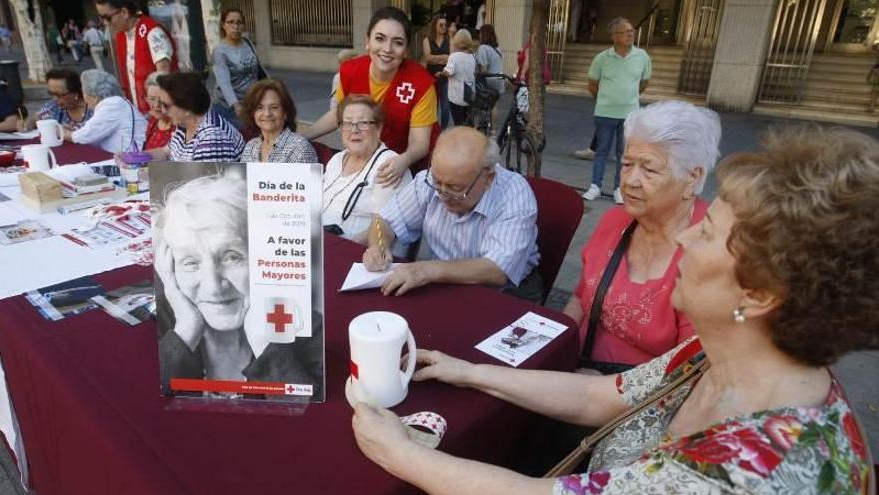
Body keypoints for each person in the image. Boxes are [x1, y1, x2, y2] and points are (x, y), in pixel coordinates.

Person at [352, 125, 878, 494]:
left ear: (760, 293)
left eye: (709, 232)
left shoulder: (748, 471)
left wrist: (402, 455)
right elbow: (600, 394)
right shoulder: (721, 355)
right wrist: (465, 371)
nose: (688, 235)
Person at [564, 100, 720, 374]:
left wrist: (593, 389)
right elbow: (579, 299)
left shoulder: (709, 250)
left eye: (649, 169)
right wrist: (550, 348)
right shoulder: (615, 220)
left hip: (637, 401)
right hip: (574, 370)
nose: (630, 181)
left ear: (693, 178)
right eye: (626, 164)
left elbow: (689, 374)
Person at [154, 172, 323, 398]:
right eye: (190, 262)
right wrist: (185, 332)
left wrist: (265, 345)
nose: (214, 287)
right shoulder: (163, 326)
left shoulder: (306, 328)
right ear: (170, 270)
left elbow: (313, 420)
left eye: (231, 257)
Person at [362, 126, 541, 302]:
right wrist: (379, 245)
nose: (443, 194)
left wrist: (427, 270)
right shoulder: (430, 180)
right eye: (438, 182)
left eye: (456, 189)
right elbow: (383, 219)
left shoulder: (514, 194)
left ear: (488, 178)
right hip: (443, 281)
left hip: (505, 293)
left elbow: (498, 270)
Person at [304, 7, 439, 186]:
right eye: (379, 39)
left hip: (411, 166)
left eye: (398, 42)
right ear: (367, 41)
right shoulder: (350, 71)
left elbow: (420, 142)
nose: (387, 49)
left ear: (406, 50)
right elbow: (338, 114)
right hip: (368, 161)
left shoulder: (421, 83)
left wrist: (403, 160)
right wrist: (304, 137)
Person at [323, 95, 411, 249]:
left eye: (363, 123)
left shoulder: (389, 164)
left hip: (355, 251)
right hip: (317, 244)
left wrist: (341, 247)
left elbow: (384, 225)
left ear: (378, 129)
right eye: (348, 123)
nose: (354, 130)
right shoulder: (337, 159)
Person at [580, 17, 651, 205]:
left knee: (624, 154)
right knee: (601, 151)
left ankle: (619, 189)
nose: (630, 34)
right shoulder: (602, 58)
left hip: (630, 115)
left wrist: (628, 99)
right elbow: (592, 85)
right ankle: (595, 186)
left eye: (632, 31)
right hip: (605, 113)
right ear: (614, 36)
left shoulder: (642, 56)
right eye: (625, 32)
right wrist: (605, 100)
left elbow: (644, 83)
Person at [95, 0, 179, 114]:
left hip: (159, 112)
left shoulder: (153, 32)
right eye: (101, 18)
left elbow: (163, 74)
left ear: (124, 12)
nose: (105, 23)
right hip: (137, 109)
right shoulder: (121, 35)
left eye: (107, 18)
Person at [145, 72, 244, 162]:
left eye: (166, 105)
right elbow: (166, 152)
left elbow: (205, 180)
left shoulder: (211, 138)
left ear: (187, 107)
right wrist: (138, 157)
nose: (162, 110)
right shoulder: (185, 125)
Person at [63, 69, 146, 153]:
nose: (84, 99)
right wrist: (73, 131)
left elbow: (84, 137)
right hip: (127, 156)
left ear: (94, 97)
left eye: (84, 94)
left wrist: (63, 133)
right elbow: (94, 132)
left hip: (131, 159)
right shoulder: (115, 103)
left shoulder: (112, 105)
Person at [239, 78, 317, 163]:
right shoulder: (250, 147)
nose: (267, 113)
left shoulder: (300, 148)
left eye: (274, 107)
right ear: (252, 113)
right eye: (260, 108)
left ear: (285, 112)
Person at [212, 8, 265, 128]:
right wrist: (236, 105)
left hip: (251, 102)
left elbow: (259, 69)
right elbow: (224, 82)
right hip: (229, 107)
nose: (235, 26)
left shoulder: (247, 42)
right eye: (230, 22)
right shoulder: (220, 51)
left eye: (239, 22)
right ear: (223, 25)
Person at [19, 69, 93, 132]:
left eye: (59, 94)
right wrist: (28, 123)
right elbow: (36, 117)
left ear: (75, 93)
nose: (54, 98)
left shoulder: (93, 109)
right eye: (51, 93)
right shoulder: (54, 106)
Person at [441, 29, 476, 126]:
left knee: (458, 122)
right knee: (467, 122)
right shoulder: (472, 56)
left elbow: (449, 72)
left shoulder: (454, 57)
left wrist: (441, 73)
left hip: (457, 96)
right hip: (469, 94)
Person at [423, 15, 450, 129]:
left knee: (445, 108)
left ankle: (443, 130)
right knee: (433, 107)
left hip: (445, 77)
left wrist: (436, 59)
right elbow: (428, 58)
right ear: (435, 26)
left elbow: (451, 58)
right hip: (431, 77)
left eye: (445, 25)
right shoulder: (427, 40)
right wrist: (444, 57)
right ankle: (433, 130)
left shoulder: (449, 40)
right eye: (441, 25)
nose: (444, 27)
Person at [475, 25, 504, 130]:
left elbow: (484, 69)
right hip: (499, 79)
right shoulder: (498, 49)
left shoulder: (483, 48)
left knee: (481, 105)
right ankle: (493, 131)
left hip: (488, 80)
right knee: (494, 106)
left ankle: (479, 127)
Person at [143, 72, 176, 149]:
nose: (157, 105)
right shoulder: (153, 122)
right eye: (152, 99)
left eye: (161, 99)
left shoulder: (179, 126)